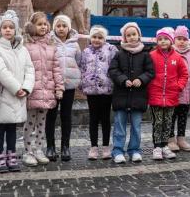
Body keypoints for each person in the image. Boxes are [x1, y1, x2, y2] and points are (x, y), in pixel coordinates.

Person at [0, 10, 34, 173]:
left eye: (11, 27)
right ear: (0, 30)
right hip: (4, 94)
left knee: (12, 128)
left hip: (20, 95)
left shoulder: (22, 49)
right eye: (4, 27)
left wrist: (26, 88)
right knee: (0, 127)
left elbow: (30, 69)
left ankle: (12, 154)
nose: (7, 30)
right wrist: (16, 88)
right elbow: (1, 72)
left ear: (16, 30)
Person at [109, 22, 155, 164]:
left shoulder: (145, 54)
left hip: (138, 96)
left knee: (136, 126)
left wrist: (141, 79)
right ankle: (117, 150)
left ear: (139, 35)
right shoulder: (118, 54)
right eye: (128, 35)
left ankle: (135, 150)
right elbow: (113, 71)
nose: (131, 37)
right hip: (121, 96)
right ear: (124, 37)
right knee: (119, 126)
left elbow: (150, 72)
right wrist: (123, 80)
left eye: (134, 34)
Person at [22, 12, 64, 166]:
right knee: (30, 123)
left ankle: (39, 149)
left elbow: (56, 69)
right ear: (32, 26)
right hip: (32, 90)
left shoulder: (51, 46)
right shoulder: (26, 45)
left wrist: (59, 87)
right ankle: (28, 151)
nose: (43, 27)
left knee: (42, 123)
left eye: (45, 24)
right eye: (39, 24)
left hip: (47, 90)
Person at [148, 27, 189, 160]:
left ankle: (165, 145)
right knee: (158, 122)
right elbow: (147, 72)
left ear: (171, 41)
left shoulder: (177, 57)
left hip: (171, 96)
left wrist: (179, 86)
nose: (163, 41)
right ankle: (157, 147)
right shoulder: (152, 56)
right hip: (156, 96)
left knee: (168, 122)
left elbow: (184, 74)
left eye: (166, 39)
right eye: (160, 39)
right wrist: (150, 87)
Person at [46, 15, 82, 162]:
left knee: (66, 116)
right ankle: (50, 146)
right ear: (54, 27)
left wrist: (74, 75)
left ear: (68, 28)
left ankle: (65, 146)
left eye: (64, 26)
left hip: (69, 85)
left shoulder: (75, 44)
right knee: (51, 116)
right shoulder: (49, 42)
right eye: (58, 26)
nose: (61, 29)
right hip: (53, 85)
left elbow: (78, 61)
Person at [79, 25, 118, 160]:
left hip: (106, 90)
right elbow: (82, 68)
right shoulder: (86, 52)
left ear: (104, 39)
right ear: (90, 38)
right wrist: (82, 83)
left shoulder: (111, 50)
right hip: (91, 90)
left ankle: (106, 146)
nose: (97, 40)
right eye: (94, 37)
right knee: (93, 119)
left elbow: (115, 67)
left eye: (100, 37)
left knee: (106, 119)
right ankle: (94, 146)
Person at [169, 25, 190, 153]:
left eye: (184, 39)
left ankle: (181, 139)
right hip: (175, 92)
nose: (182, 42)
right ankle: (171, 139)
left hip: (187, 91)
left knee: (183, 116)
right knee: (172, 116)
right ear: (174, 40)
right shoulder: (171, 53)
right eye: (179, 39)